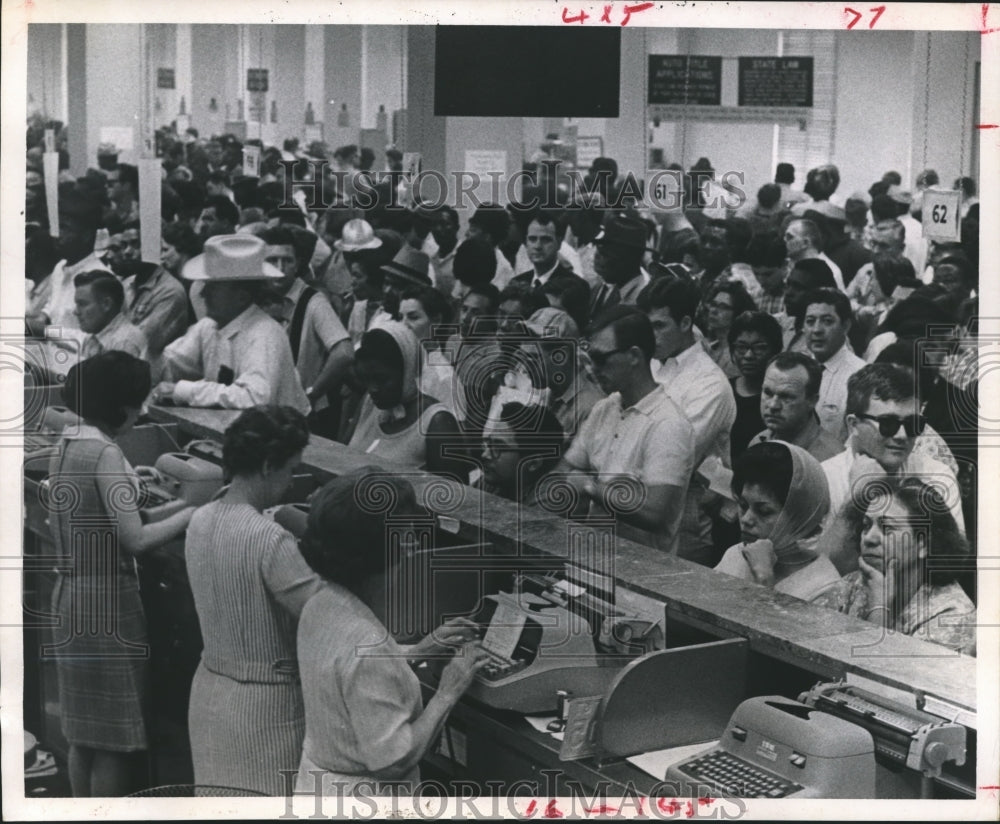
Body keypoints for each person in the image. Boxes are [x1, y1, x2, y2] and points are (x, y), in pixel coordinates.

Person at [48, 352, 195, 796]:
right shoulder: (107, 452)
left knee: (84, 734)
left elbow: (95, 499)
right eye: (137, 402)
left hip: (70, 599)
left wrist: (130, 480)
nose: (143, 411)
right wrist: (193, 512)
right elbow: (135, 539)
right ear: (119, 405)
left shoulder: (71, 439)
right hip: (108, 607)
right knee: (113, 742)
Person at [295, 470, 487, 795]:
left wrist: (416, 651)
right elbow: (393, 762)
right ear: (405, 545)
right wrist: (448, 691)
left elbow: (346, 671)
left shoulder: (320, 604)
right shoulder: (370, 645)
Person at [185, 406, 320, 795]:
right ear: (266, 465)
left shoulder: (200, 518)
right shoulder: (269, 538)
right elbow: (322, 616)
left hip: (209, 693)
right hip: (265, 709)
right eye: (291, 470)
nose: (292, 482)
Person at [553, 306, 694, 555]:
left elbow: (653, 513)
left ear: (634, 356)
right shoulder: (604, 408)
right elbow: (563, 470)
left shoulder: (668, 425)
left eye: (601, 359)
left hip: (643, 572)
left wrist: (590, 487)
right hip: (592, 555)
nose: (592, 369)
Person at [819, 363, 965, 575]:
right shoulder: (825, 477)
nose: (902, 436)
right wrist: (855, 499)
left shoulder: (936, 475)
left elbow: (949, 563)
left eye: (913, 424)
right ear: (853, 425)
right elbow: (821, 572)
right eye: (888, 423)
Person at [813, 479, 975, 656]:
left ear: (924, 544)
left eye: (887, 528)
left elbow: (878, 679)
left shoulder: (953, 615)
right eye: (866, 526)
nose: (869, 538)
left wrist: (879, 609)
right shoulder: (854, 584)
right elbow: (810, 647)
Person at [155, 235, 311, 413]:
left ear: (241, 297)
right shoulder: (209, 326)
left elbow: (255, 397)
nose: (204, 294)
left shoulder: (265, 334)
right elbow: (172, 362)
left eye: (213, 287)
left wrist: (185, 390)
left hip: (282, 435)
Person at [256, 227, 354, 436]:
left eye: (287, 261)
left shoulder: (313, 301)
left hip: (301, 419)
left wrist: (312, 393)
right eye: (272, 261)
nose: (280, 268)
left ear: (298, 263)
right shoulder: (256, 298)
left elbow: (344, 352)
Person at [714, 442, 840, 601]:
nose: (746, 519)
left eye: (764, 512)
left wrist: (764, 578)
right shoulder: (736, 555)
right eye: (743, 506)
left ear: (800, 517)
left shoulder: (824, 585)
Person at [345, 321, 462, 475]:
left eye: (382, 380)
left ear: (406, 372)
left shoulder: (437, 424)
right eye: (367, 379)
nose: (372, 389)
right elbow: (341, 454)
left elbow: (453, 494)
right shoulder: (369, 403)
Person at [750, 352, 846, 463]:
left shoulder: (833, 460)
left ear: (812, 401)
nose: (773, 405)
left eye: (786, 397)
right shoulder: (758, 441)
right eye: (768, 393)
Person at [802, 288, 866, 442]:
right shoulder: (797, 368)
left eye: (827, 321)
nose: (816, 330)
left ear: (845, 326)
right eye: (810, 321)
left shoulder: (861, 375)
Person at [480, 402, 565, 503]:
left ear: (533, 463)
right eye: (489, 443)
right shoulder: (493, 477)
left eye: (499, 448)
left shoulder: (552, 497)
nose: (485, 455)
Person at [726, 311, 783, 463]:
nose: (749, 355)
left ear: (775, 351)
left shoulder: (782, 399)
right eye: (741, 347)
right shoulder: (723, 391)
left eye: (759, 348)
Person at [398, 285, 461, 416]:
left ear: (436, 321)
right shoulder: (400, 361)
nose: (403, 325)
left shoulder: (444, 377)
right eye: (401, 317)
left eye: (413, 317)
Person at [587, 215, 651, 322]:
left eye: (607, 255)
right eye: (600, 251)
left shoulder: (644, 298)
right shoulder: (604, 286)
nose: (598, 258)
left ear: (629, 260)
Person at [73, 270, 148, 360]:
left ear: (106, 304)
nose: (75, 311)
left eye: (82, 304)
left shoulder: (125, 343)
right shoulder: (91, 338)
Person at [701, 280, 758, 379]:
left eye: (723, 307)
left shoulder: (739, 356)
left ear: (737, 313)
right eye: (713, 304)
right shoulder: (710, 348)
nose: (714, 311)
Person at [510, 209, 577, 292]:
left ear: (559, 243)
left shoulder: (574, 287)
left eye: (546, 240)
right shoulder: (516, 283)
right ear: (526, 243)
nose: (538, 246)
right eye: (532, 239)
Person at [782, 218, 846, 291]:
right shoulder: (788, 265)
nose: (784, 240)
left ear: (806, 242)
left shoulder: (831, 272)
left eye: (789, 237)